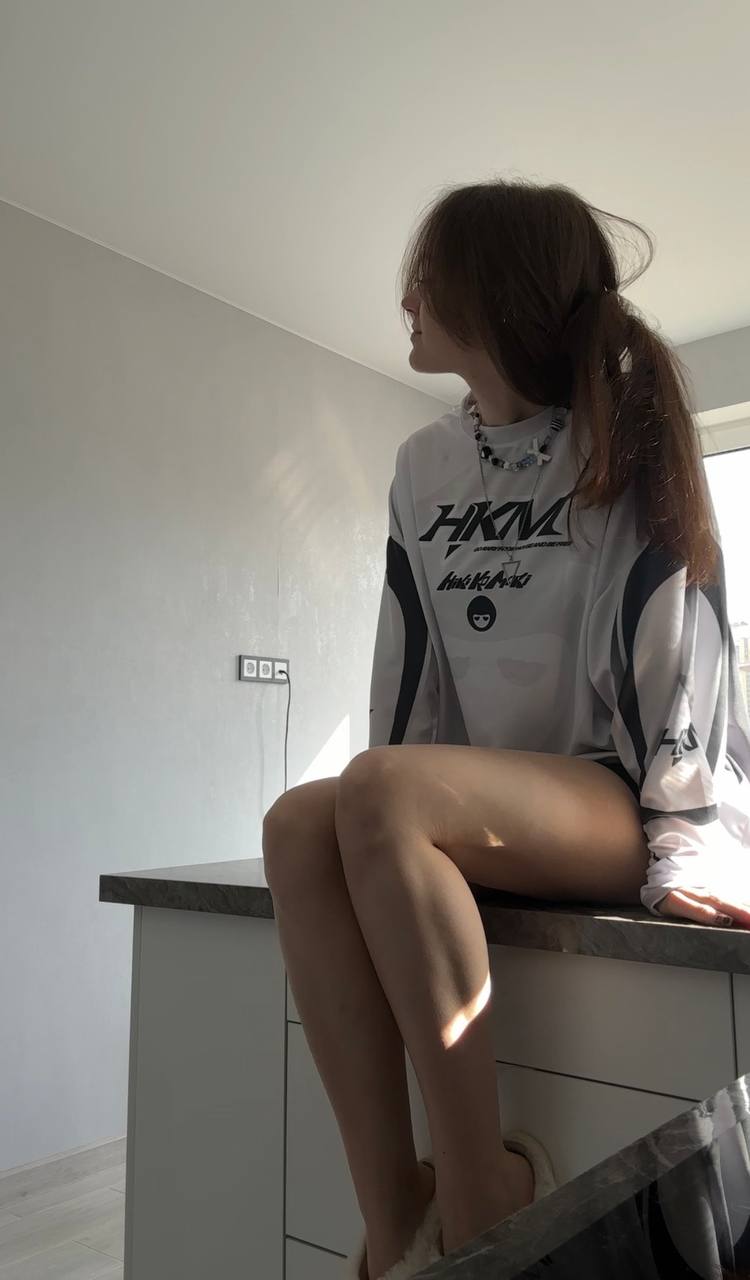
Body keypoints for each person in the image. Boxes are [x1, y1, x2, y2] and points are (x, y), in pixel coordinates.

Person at [262, 179, 750, 1280]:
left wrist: (685, 840)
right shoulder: (423, 465)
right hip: (476, 799)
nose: (408, 298)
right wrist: (375, 819)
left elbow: (682, 640)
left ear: (497, 289)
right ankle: (397, 1225)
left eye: (429, 276)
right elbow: (411, 659)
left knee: (379, 788)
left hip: (611, 793)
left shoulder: (621, 435)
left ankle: (483, 1199)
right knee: (298, 822)